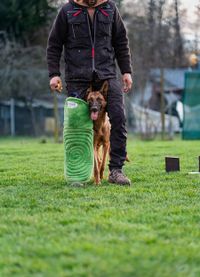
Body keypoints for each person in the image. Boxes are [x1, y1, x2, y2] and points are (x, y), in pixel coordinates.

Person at [47, 0, 133, 185]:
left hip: (107, 74)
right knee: (77, 125)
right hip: (77, 77)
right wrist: (54, 74)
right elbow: (54, 44)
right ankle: (78, 173)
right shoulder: (68, 11)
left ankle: (116, 170)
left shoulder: (110, 9)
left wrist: (126, 71)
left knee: (118, 116)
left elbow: (120, 41)